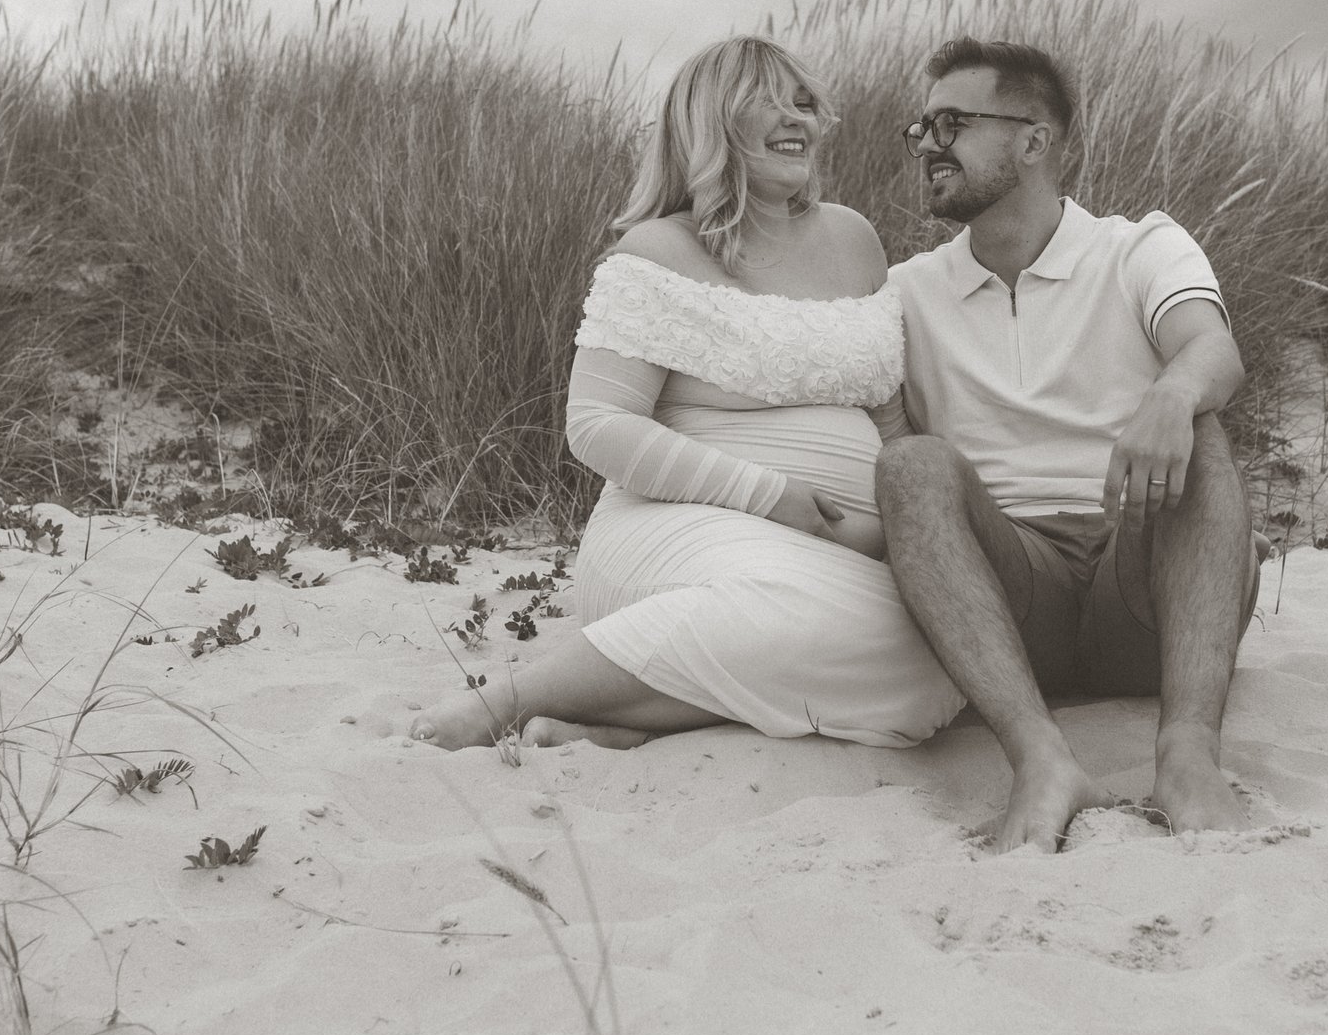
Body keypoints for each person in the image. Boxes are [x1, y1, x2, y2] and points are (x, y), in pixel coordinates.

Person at [408, 37, 964, 752]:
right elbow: (599, 425)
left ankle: (630, 714)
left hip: (840, 548)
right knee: (800, 618)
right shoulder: (655, 252)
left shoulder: (853, 238)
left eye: (805, 103)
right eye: (770, 102)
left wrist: (897, 529)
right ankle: (509, 700)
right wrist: (774, 497)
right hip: (677, 528)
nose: (799, 120)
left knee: (932, 662)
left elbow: (886, 408)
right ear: (711, 123)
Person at [875, 38, 1260, 854]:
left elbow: (1213, 350)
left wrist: (1171, 393)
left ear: (1034, 139)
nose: (928, 143)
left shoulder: (1137, 246)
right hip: (1016, 601)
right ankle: (1041, 758)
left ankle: (1187, 754)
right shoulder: (906, 291)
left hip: (1146, 573)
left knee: (1201, 426)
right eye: (921, 128)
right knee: (910, 465)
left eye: (951, 122)